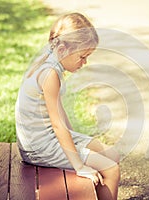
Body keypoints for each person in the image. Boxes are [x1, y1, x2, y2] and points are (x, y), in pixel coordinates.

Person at [15, 13, 120, 199]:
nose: (84, 62)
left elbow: (59, 114)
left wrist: (76, 139)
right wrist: (79, 165)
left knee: (112, 155)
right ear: (63, 49)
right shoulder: (49, 74)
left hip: (48, 138)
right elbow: (57, 124)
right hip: (39, 148)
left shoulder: (51, 58)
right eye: (82, 56)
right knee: (111, 170)